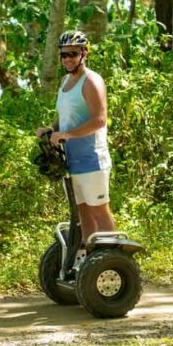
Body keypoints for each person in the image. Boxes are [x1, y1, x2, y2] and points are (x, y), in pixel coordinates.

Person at [36, 30, 116, 246]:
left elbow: (100, 120)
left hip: (92, 160)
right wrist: (51, 130)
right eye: (63, 55)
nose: (67, 59)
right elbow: (65, 118)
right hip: (70, 162)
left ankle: (113, 262)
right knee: (83, 216)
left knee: (99, 212)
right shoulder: (64, 82)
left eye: (72, 54)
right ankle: (91, 263)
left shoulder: (92, 81)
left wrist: (68, 134)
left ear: (84, 53)